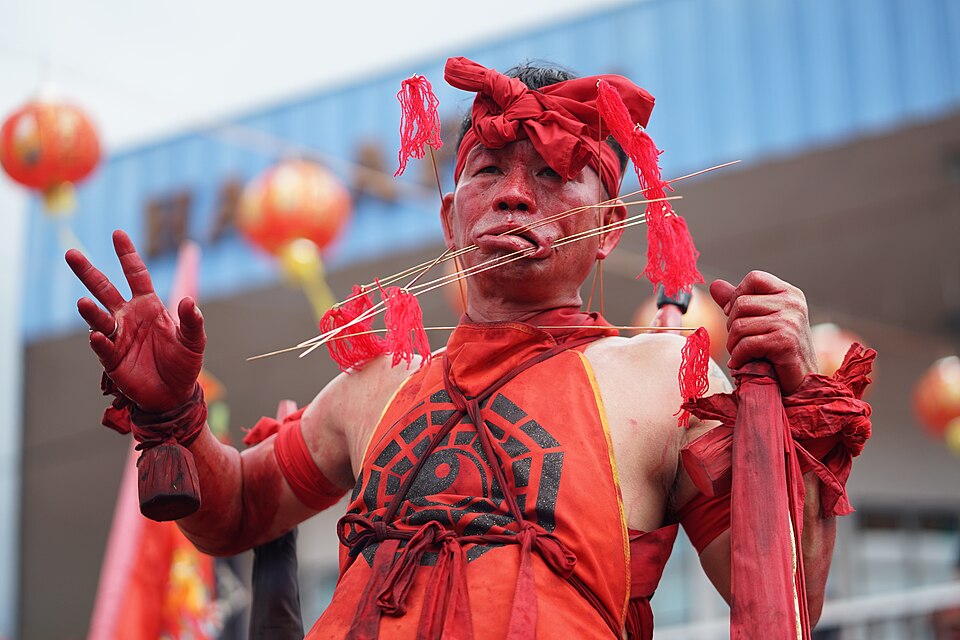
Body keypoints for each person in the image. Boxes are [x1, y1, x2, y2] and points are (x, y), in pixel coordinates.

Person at [66, 57, 867, 639]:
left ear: (610, 230)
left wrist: (790, 412)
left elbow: (779, 593)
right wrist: (173, 417)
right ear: (452, 219)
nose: (515, 190)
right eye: (489, 168)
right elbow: (235, 510)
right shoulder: (376, 381)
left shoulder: (663, 376)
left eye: (553, 171)